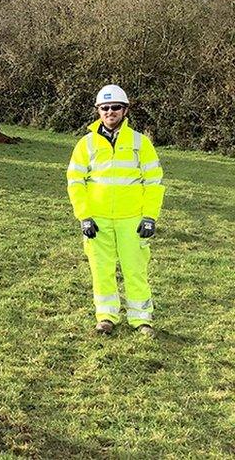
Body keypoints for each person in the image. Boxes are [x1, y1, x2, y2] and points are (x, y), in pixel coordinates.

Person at [66, 84, 165, 337]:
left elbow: (153, 183)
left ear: (125, 110)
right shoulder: (85, 144)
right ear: (98, 110)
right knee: (101, 270)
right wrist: (84, 216)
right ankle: (106, 317)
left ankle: (142, 320)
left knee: (135, 270)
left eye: (116, 107)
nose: (110, 112)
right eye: (105, 108)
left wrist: (150, 217)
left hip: (132, 220)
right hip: (97, 221)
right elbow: (75, 182)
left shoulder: (140, 143)